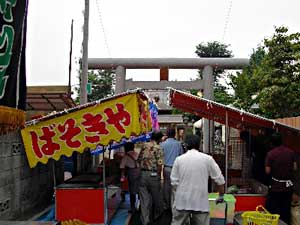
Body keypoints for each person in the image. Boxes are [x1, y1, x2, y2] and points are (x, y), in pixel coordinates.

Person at [170, 134, 225, 225]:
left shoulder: (179, 160)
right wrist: (221, 195)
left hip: (182, 201)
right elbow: (219, 179)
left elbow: (174, 182)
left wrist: (182, 190)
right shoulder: (207, 159)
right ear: (199, 145)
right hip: (200, 202)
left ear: (186, 145)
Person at [265, 132, 296, 225]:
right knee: (286, 209)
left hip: (276, 187)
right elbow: (295, 168)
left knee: (274, 209)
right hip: (288, 187)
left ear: (271, 143)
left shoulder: (270, 154)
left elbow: (267, 171)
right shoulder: (291, 152)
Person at [138, 131, 164, 225]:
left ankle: (145, 220)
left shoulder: (144, 145)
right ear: (158, 138)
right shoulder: (159, 148)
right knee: (156, 197)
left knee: (144, 199)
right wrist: (159, 177)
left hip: (143, 174)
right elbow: (160, 165)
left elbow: (139, 159)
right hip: (153, 175)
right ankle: (157, 215)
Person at [160, 127, 183, 211]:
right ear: (174, 134)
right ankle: (175, 204)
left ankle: (167, 205)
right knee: (176, 187)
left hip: (166, 168)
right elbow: (181, 156)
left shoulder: (162, 144)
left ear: (167, 134)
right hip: (177, 168)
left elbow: (160, 157)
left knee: (166, 186)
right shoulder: (178, 144)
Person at [120, 142, 140, 213]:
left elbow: (122, 167)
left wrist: (122, 176)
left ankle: (133, 208)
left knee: (132, 190)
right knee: (140, 189)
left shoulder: (126, 156)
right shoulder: (137, 154)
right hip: (139, 172)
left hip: (131, 173)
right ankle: (141, 206)